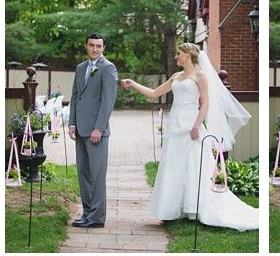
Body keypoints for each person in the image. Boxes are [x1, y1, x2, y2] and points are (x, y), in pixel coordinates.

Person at [121, 43, 257, 231]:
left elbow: (206, 104)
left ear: (188, 55)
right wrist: (133, 84)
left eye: (178, 54)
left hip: (190, 126)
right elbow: (154, 94)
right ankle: (172, 210)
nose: (176, 57)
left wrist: (195, 127)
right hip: (175, 126)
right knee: (173, 166)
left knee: (194, 166)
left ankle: (195, 209)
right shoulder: (176, 77)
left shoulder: (200, 76)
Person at [68, 32, 118, 228]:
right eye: (91, 45)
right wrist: (72, 124)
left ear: (103, 48)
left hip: (97, 132)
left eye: (98, 46)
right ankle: (87, 213)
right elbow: (74, 97)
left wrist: (99, 128)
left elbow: (107, 102)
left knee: (97, 175)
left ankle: (97, 218)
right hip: (80, 130)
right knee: (83, 174)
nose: (95, 49)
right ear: (86, 46)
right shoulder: (80, 68)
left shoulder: (108, 68)